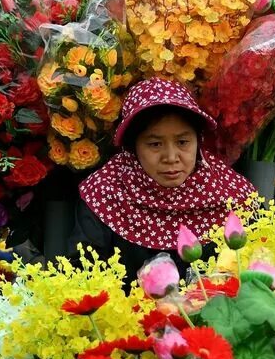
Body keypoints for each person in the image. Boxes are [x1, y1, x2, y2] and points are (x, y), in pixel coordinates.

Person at [70, 78, 256, 279]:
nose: (171, 157)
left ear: (198, 141)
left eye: (183, 142)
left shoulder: (231, 193)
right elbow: (83, 279)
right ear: (132, 147)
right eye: (155, 144)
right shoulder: (105, 194)